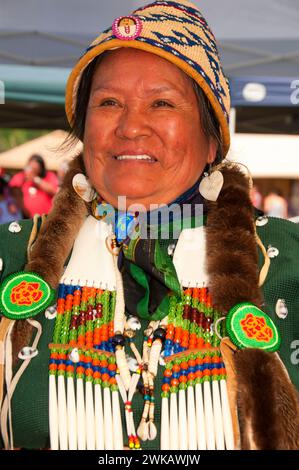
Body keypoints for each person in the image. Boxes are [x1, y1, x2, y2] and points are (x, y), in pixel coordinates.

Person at [0, 0, 298, 451]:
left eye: (161, 103)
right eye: (108, 102)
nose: (131, 126)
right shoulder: (11, 257)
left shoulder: (287, 260)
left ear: (212, 137)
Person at [8, 154, 58, 218]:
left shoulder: (49, 176)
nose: (31, 171)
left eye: (35, 169)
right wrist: (11, 203)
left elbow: (54, 190)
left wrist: (35, 179)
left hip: (46, 218)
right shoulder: (21, 176)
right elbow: (11, 189)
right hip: (27, 218)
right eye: (30, 168)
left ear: (41, 168)